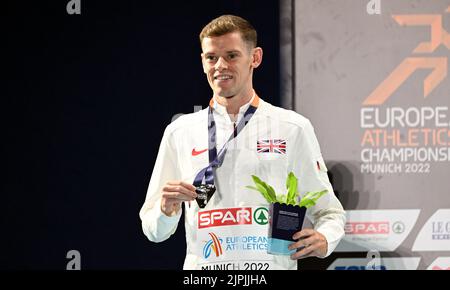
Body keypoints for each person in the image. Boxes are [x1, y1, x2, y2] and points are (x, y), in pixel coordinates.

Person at [139, 15, 346, 270]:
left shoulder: (292, 128)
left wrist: (326, 238)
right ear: (202, 62)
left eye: (232, 55)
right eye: (211, 57)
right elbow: (153, 230)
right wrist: (165, 210)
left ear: (255, 58)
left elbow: (329, 212)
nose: (220, 66)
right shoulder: (179, 131)